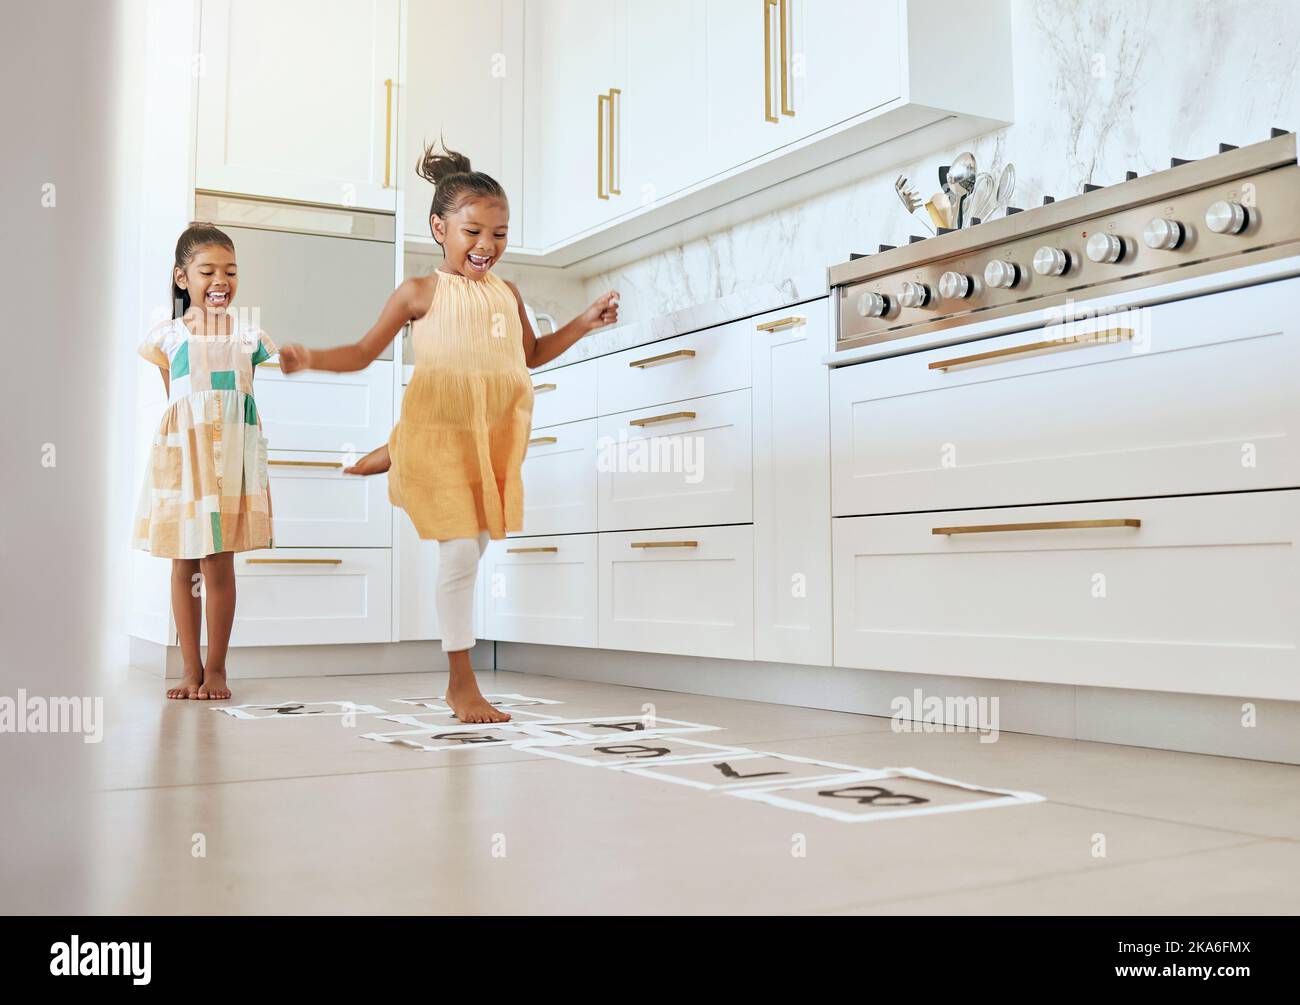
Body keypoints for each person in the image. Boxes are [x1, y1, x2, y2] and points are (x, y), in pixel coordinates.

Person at [278, 141, 618, 724]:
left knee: (478, 545)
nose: (487, 246)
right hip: (440, 431)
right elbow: (362, 352)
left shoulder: (509, 295)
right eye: (472, 232)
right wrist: (310, 356)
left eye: (500, 233)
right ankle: (462, 683)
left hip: (489, 440)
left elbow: (532, 354)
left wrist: (584, 322)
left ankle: (395, 447)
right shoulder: (420, 293)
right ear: (440, 228)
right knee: (460, 554)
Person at [135, 223, 276, 700]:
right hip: (183, 460)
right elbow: (177, 408)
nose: (222, 280)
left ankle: (216, 669)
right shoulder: (167, 338)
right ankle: (189, 669)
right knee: (184, 562)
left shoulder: (250, 336)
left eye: (230, 271)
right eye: (208, 270)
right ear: (182, 277)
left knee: (218, 561)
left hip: (230, 458)